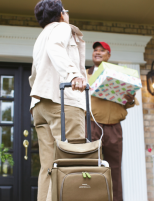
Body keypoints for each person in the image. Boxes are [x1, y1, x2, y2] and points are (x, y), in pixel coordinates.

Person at [29, 0, 87, 200]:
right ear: (61, 14)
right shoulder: (62, 28)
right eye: (66, 11)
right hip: (63, 102)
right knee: (71, 163)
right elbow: (56, 48)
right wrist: (73, 75)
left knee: (48, 166)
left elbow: (34, 74)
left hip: (40, 105)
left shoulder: (40, 37)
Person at [86, 42, 137, 201]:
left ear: (109, 55)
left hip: (114, 127)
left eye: (102, 50)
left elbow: (129, 103)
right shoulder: (84, 74)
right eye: (95, 50)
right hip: (92, 125)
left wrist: (130, 99)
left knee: (114, 169)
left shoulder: (119, 75)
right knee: (91, 167)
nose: (97, 52)